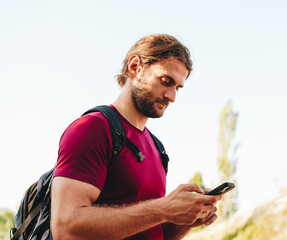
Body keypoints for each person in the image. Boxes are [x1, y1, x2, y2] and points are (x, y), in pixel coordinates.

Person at [50, 34, 222, 240]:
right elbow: (65, 227)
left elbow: (150, 233)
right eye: (166, 81)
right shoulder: (92, 128)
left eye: (177, 87)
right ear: (135, 66)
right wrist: (163, 209)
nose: (172, 96)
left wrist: (185, 219)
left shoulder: (158, 149)